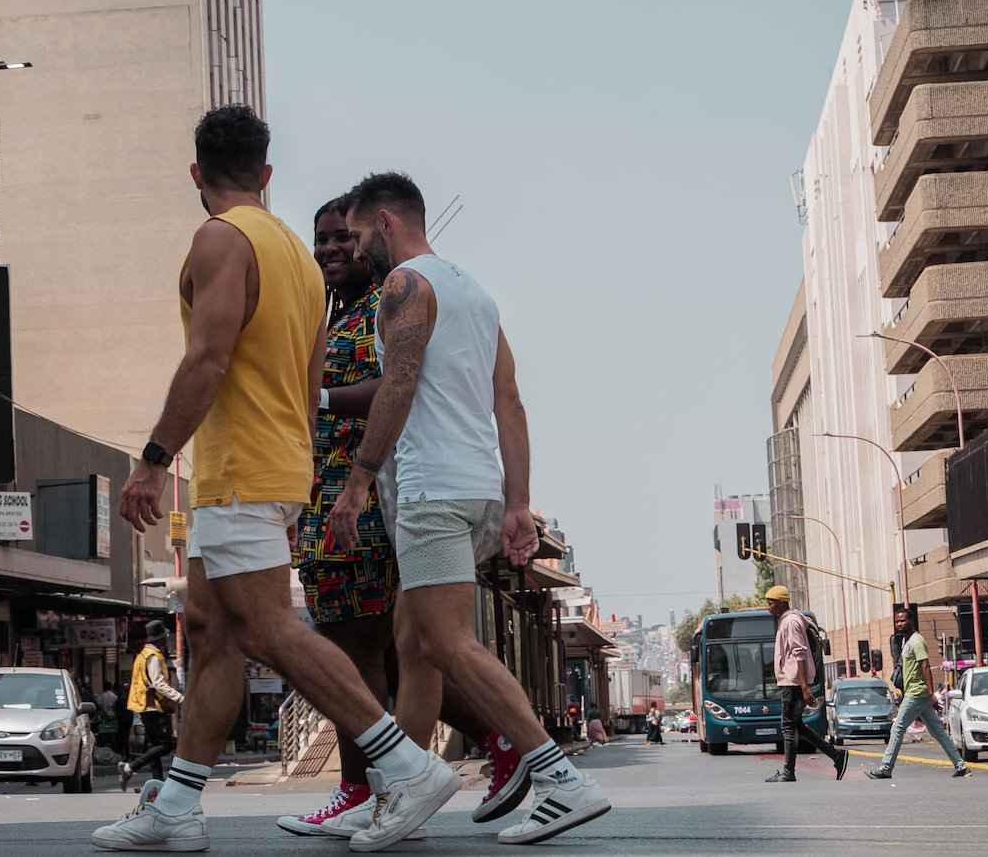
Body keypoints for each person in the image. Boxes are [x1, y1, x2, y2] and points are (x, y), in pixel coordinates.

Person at [93, 109, 455, 853]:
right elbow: (315, 374)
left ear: (197, 174)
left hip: (239, 467)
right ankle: (178, 803)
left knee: (268, 626)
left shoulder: (221, 239)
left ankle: (402, 763)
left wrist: (153, 461)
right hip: (276, 462)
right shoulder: (293, 250)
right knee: (214, 630)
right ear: (265, 172)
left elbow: (207, 359)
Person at [331, 172, 609, 846]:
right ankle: (403, 792)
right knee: (415, 641)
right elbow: (509, 399)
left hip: (429, 487)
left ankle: (557, 775)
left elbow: (398, 382)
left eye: (362, 233)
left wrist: (359, 478)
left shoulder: (405, 286)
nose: (359, 247)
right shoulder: (477, 294)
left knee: (447, 640)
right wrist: (517, 502)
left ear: (389, 222)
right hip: (478, 487)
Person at [276, 196, 525, 840]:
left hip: (365, 501)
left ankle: (367, 786)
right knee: (402, 647)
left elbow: (395, 384)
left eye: (345, 237)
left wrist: (324, 412)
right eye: (323, 240)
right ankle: (480, 753)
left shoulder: (386, 303)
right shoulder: (332, 317)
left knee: (363, 652)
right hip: (336, 497)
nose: (336, 250)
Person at [868, 608, 971, 780]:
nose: (899, 624)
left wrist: (930, 692)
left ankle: (886, 767)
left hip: (917, 693)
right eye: (897, 621)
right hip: (915, 692)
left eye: (902, 620)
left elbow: (925, 665)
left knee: (897, 727)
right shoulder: (906, 641)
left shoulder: (917, 641)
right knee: (937, 731)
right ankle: (961, 766)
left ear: (911, 621)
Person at [763, 585, 847, 783]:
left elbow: (799, 654)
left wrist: (804, 687)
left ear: (782, 602)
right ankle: (836, 756)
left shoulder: (791, 622)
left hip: (793, 683)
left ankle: (788, 772)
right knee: (796, 725)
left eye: (772, 603)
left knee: (788, 727)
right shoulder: (787, 620)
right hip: (792, 681)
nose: (769, 607)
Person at [119, 620, 185, 790]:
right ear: (160, 639)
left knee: (154, 746)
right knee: (165, 745)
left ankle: (158, 782)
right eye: (164, 638)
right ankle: (130, 767)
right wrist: (180, 698)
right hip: (153, 706)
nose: (166, 642)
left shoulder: (142, 654)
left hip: (144, 705)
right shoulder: (153, 656)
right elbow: (158, 683)